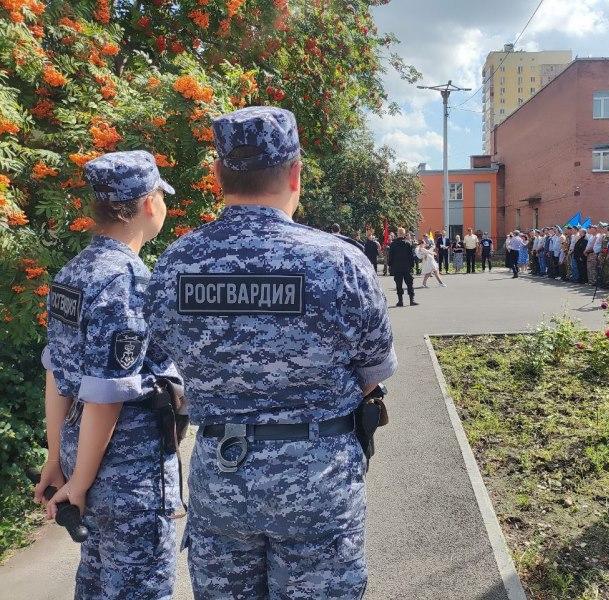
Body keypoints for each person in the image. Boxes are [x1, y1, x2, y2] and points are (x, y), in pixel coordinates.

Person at [145, 106, 397, 598]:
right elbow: (372, 372)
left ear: (218, 175)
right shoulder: (339, 261)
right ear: (295, 173)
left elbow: (164, 361)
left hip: (222, 476)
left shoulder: (176, 263)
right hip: (318, 480)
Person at [37, 151, 182, 599]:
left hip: (85, 457)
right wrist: (77, 483)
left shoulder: (73, 272)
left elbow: (56, 373)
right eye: (160, 195)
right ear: (148, 204)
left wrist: (57, 461)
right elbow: (107, 392)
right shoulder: (126, 280)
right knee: (138, 587)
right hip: (129, 471)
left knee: (98, 583)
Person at [389, 227, 418, 306]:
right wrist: (412, 266)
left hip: (397, 267)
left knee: (398, 284)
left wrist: (390, 267)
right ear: (404, 234)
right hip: (406, 267)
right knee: (409, 283)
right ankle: (412, 300)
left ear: (397, 234)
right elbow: (411, 256)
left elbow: (390, 256)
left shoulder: (393, 244)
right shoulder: (407, 243)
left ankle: (400, 301)